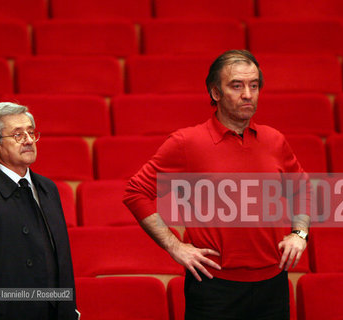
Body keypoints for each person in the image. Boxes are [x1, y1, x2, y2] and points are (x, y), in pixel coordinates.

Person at [123, 50, 309, 320]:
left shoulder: (275, 140)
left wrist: (299, 233)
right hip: (213, 288)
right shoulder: (186, 142)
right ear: (215, 93)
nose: (248, 94)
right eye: (237, 85)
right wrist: (175, 246)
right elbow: (136, 192)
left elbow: (301, 187)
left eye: (254, 85)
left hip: (273, 284)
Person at [0, 102, 78, 320]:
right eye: (18, 135)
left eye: (31, 132)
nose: (28, 140)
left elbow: (62, 258)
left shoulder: (48, 188)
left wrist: (69, 308)